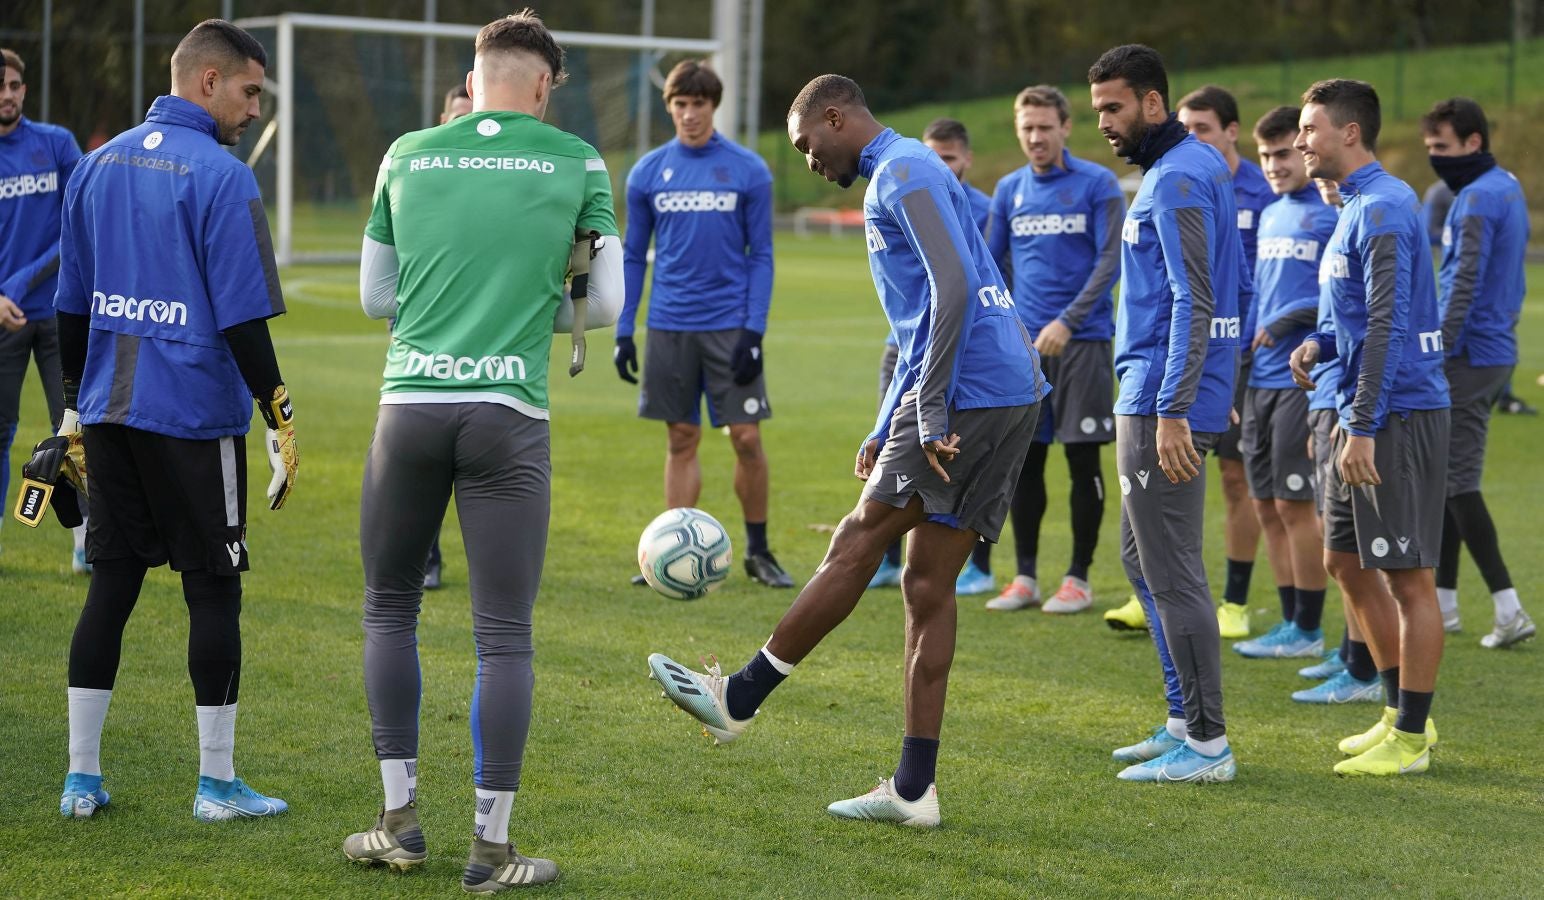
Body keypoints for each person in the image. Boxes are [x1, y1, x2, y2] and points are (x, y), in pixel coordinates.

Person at [646, 74, 1047, 827]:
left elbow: (955, 289)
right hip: (1006, 387)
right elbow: (923, 314)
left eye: (807, 144)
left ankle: (738, 699)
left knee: (858, 539)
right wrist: (889, 416)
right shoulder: (911, 167)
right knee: (926, 583)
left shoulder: (903, 173)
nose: (808, 160)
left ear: (836, 117)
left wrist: (928, 408)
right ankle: (914, 790)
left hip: (969, 389)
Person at [343, 11, 622, 889]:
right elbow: (608, 305)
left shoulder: (406, 152)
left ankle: (397, 825)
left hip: (410, 408)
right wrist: (520, 307)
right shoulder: (577, 159)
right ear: (543, 86)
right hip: (508, 411)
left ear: (474, 79)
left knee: (390, 610)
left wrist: (448, 312)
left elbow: (374, 296)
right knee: (503, 638)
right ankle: (490, 850)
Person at [50, 19, 294, 821]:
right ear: (208, 82)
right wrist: (279, 413)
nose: (255, 109)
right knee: (213, 591)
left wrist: (74, 409)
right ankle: (216, 785)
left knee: (111, 585)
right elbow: (242, 318)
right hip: (193, 418)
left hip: (109, 413)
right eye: (249, 92)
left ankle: (81, 778)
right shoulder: (224, 176)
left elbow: (72, 306)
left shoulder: (96, 164)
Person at [1289, 78, 1449, 776]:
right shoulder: (1352, 206)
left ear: (1349, 132)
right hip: (1357, 406)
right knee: (1345, 563)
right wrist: (1318, 343)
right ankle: (1395, 712)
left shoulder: (1384, 207)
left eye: (1310, 128)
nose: (1301, 141)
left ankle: (1412, 738)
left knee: (1409, 577)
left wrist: (1361, 424)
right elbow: (1351, 318)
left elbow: (1388, 325)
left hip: (1394, 413)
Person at [1090, 45, 1240, 783]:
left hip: (1160, 398)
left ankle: (1208, 745)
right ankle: (1183, 719)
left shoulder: (1179, 177)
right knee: (1140, 559)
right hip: (1157, 390)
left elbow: (1194, 298)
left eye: (1113, 108)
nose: (1103, 123)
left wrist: (1175, 407)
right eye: (1097, 110)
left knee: (1173, 569)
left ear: (1154, 103)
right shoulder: (1192, 165)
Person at [613, 60, 791, 589]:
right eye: (680, 105)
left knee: (747, 438)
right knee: (681, 437)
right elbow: (632, 255)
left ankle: (759, 552)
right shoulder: (647, 172)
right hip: (669, 325)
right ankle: (669, 553)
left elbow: (762, 255)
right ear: (669, 107)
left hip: (729, 325)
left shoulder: (748, 170)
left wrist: (753, 332)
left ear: (713, 106)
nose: (689, 114)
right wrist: (624, 329)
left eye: (699, 104)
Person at [983, 84, 1123, 614]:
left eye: (1045, 127)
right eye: (1027, 128)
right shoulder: (1009, 189)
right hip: (1025, 351)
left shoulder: (1098, 183)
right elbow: (992, 266)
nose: (1036, 137)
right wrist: (1005, 329)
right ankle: (1025, 578)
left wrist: (1068, 321)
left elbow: (1109, 262)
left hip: (1083, 343)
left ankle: (1078, 579)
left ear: (1065, 127)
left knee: (1082, 458)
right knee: (1026, 462)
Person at [1420, 97, 1535, 649]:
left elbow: (1462, 282)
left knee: (1458, 482)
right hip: (1495, 348)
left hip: (1471, 353)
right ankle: (1443, 604)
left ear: (1473, 142)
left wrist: (1436, 350)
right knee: (1447, 478)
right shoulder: (1505, 184)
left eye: (1442, 147)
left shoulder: (1475, 199)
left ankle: (1509, 609)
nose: (1435, 158)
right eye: (1429, 148)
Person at [1228, 105, 1339, 664]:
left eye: (1283, 154)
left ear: (1305, 151)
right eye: (1265, 156)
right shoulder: (1271, 214)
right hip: (1259, 381)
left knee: (1296, 506)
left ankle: (1309, 627)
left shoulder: (1328, 216)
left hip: (1302, 380)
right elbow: (1257, 295)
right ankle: (1290, 619)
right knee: (1266, 503)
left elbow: (1341, 298)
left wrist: (1287, 319)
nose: (1274, 165)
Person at [871, 116, 994, 594]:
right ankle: (884, 560)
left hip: (957, 353)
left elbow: (974, 281)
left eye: (948, 158)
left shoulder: (980, 208)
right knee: (886, 450)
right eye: (933, 156)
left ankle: (973, 565)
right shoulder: (903, 187)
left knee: (956, 459)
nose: (938, 165)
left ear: (966, 160)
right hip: (904, 351)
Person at [1177, 85, 1272, 640]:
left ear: (1232, 131)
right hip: (1185, 350)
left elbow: (1261, 280)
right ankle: (1155, 587)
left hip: (1240, 355)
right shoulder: (1181, 183)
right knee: (1167, 470)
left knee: (1236, 477)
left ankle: (1234, 601)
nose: (1192, 139)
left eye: (1203, 129)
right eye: (1185, 128)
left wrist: (1242, 341)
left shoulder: (1263, 192)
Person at [0, 47, 89, 572]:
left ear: (24, 89)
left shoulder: (55, 144)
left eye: (13, 85)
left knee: (72, 432)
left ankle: (84, 543)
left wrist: (19, 281)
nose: (6, 95)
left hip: (60, 313)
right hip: (3, 315)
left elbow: (77, 222)